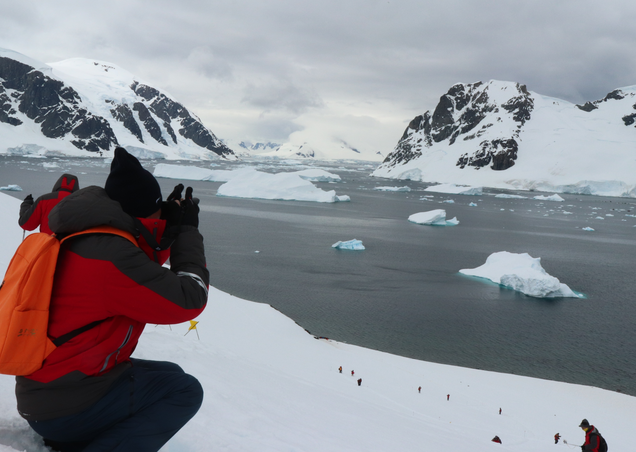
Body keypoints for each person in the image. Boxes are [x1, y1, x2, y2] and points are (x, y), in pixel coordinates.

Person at [14, 148, 209, 452]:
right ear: (143, 212)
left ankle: (77, 439)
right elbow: (188, 299)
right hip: (63, 406)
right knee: (184, 391)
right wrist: (187, 233)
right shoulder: (111, 257)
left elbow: (135, 270)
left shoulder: (89, 236)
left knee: (170, 374)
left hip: (48, 391)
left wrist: (165, 232)